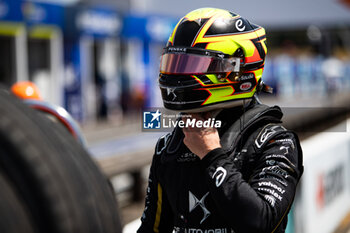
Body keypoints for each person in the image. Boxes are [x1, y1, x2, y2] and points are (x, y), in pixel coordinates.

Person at [138, 8, 303, 233]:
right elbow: (151, 229)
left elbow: (261, 224)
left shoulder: (275, 142)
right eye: (175, 63)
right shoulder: (169, 146)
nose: (177, 76)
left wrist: (211, 156)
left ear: (236, 70)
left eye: (191, 65)